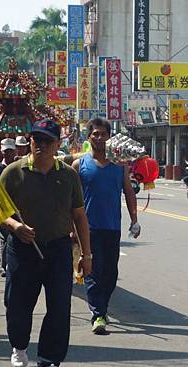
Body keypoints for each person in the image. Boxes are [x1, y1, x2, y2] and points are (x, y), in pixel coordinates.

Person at [0, 118, 92, 367]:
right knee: (18, 303)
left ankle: (49, 363)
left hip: (59, 248)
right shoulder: (13, 172)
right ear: (30, 142)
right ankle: (18, 345)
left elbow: (79, 216)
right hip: (23, 248)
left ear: (57, 144)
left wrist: (86, 254)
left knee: (60, 306)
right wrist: (16, 226)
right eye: (36, 140)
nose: (40, 145)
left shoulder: (68, 175)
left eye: (46, 141)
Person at [72, 117, 140, 335]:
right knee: (92, 272)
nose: (100, 138)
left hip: (112, 227)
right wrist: (71, 227)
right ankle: (98, 313)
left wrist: (134, 220)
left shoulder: (120, 166)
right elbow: (71, 199)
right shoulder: (79, 165)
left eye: (103, 134)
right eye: (95, 134)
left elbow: (129, 192)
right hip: (87, 229)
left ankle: (103, 306)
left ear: (109, 137)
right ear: (89, 137)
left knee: (110, 274)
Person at [0, 138, 17, 276]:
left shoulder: (18, 167)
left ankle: (13, 263)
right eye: (5, 151)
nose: (7, 154)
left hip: (16, 206)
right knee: (4, 237)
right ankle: (5, 265)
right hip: (2, 207)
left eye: (10, 151)